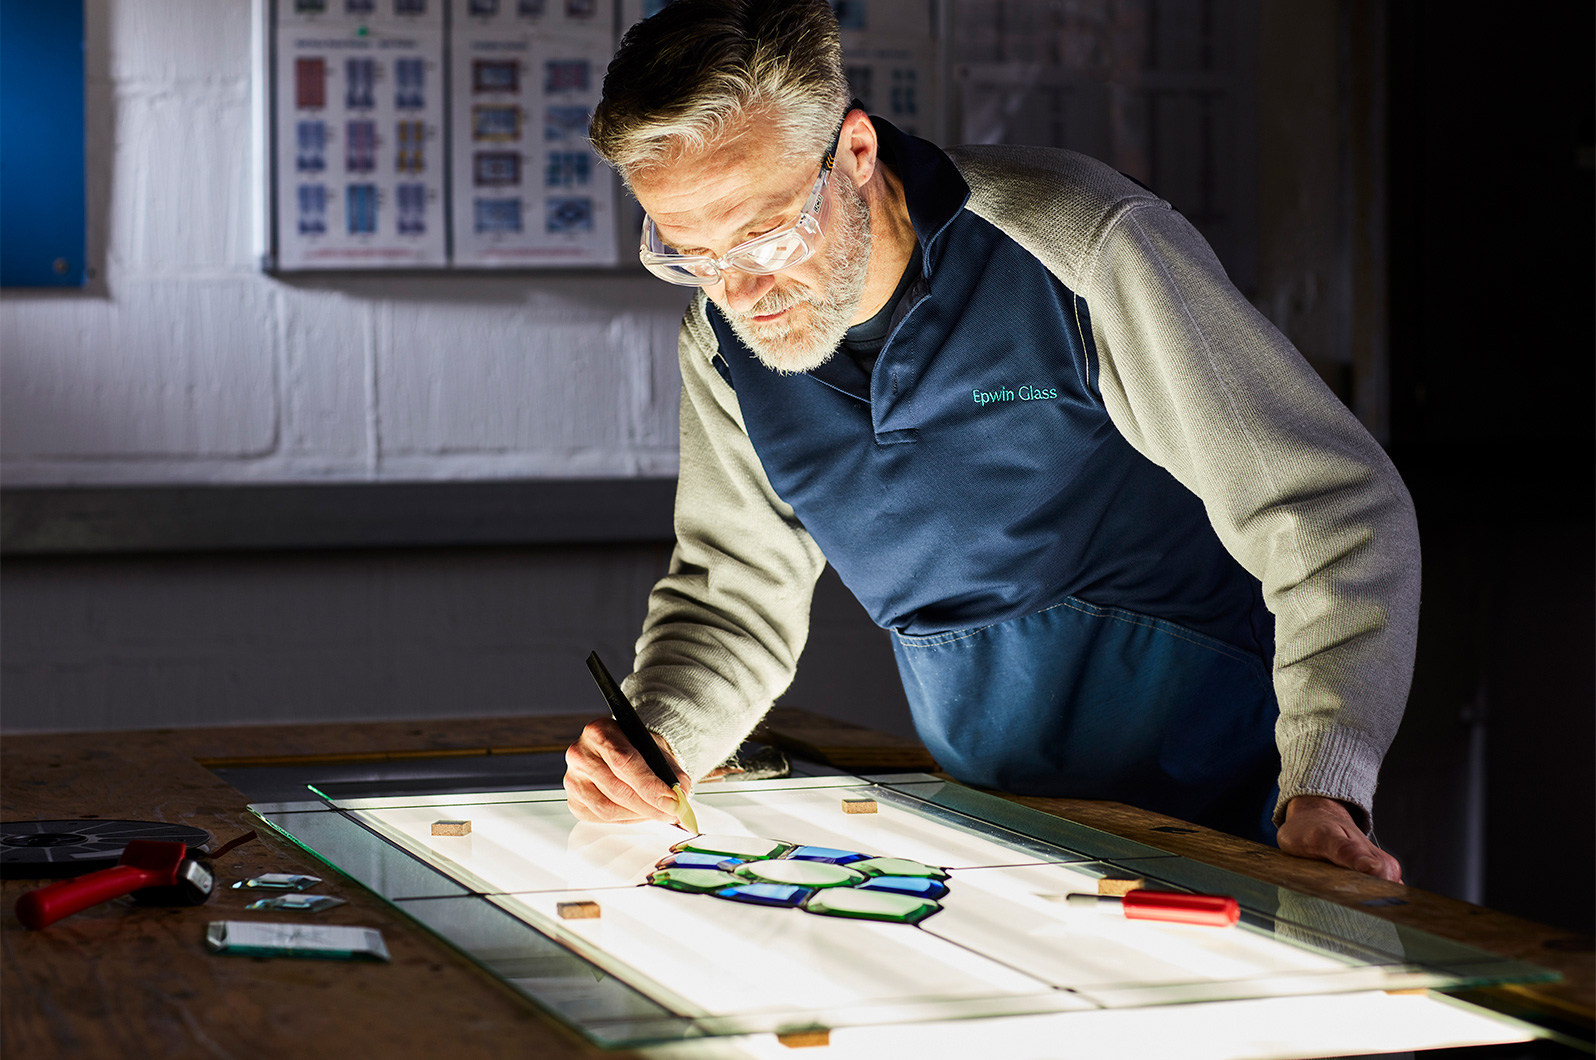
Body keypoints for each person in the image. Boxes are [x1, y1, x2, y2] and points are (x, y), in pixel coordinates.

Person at [563, 0, 1415, 881]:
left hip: (1233, 811)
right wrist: (659, 739)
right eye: (691, 256)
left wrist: (1325, 781)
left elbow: (1328, 512)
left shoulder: (1078, 247)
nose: (739, 291)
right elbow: (730, 597)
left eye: (766, 235)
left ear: (855, 153)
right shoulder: (723, 347)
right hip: (997, 820)